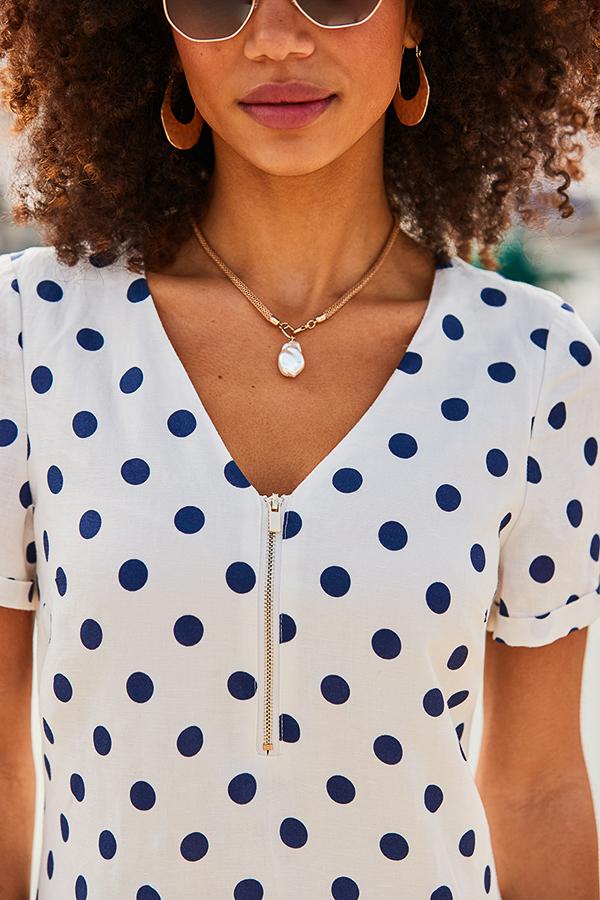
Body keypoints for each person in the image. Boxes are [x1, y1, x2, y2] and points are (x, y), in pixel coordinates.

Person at [1, 0, 600, 898]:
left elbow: (537, 788)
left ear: (419, 19)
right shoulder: (26, 335)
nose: (277, 36)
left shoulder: (535, 364)